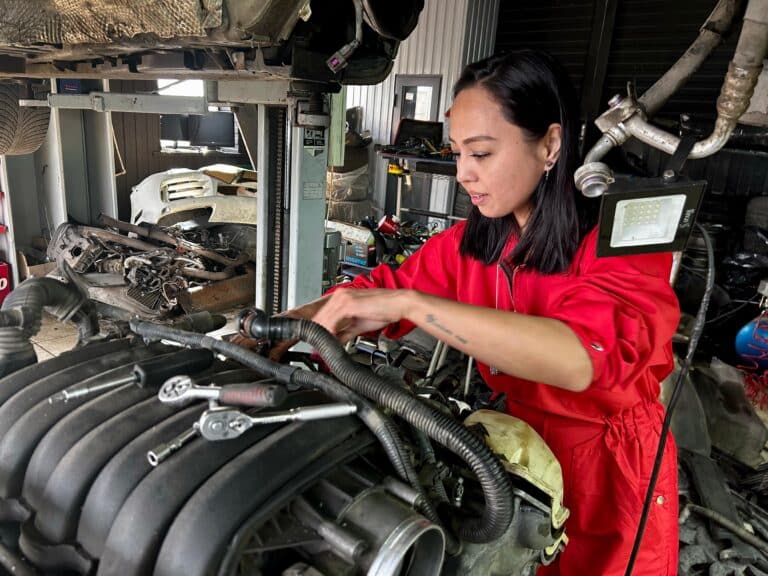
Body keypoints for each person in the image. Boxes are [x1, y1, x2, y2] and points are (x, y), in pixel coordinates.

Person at [284, 50, 680, 575]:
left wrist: (411, 306)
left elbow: (583, 357)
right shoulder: (474, 242)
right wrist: (278, 329)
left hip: (610, 465)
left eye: (482, 153)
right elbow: (377, 288)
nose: (464, 174)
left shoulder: (621, 240)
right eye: (457, 154)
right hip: (522, 451)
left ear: (551, 145)